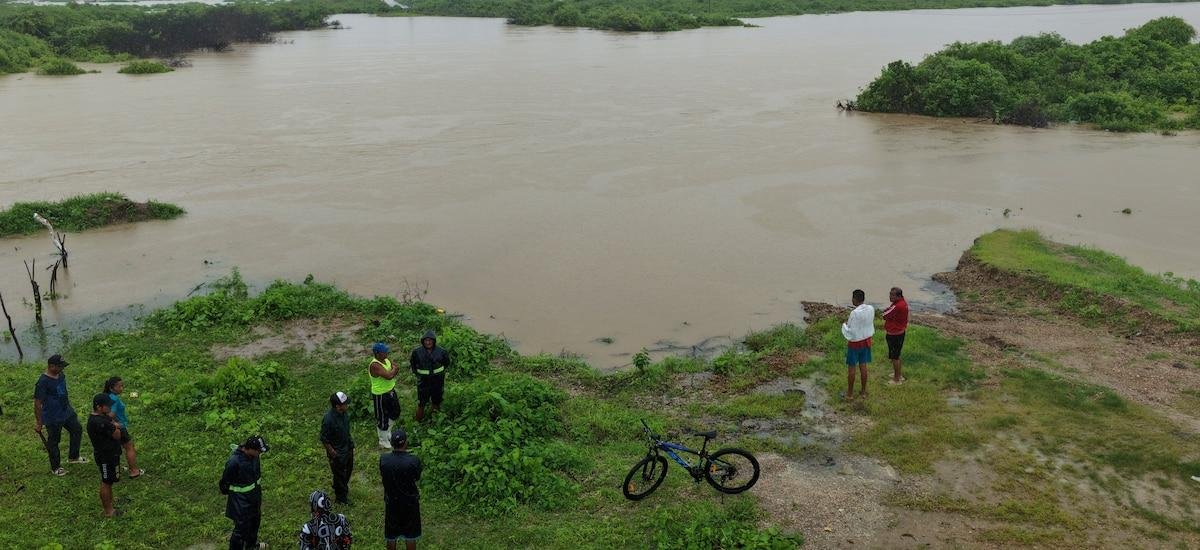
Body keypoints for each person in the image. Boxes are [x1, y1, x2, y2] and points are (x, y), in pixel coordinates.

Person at [33, 354, 87, 476]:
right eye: (60, 366)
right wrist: (39, 422)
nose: (62, 368)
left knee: (77, 429)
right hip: (53, 416)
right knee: (54, 442)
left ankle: (73, 457)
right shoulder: (43, 382)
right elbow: (37, 403)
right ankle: (56, 467)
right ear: (51, 366)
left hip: (66, 411)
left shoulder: (61, 374)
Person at [220, 435, 269, 550]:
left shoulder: (254, 456)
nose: (260, 453)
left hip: (254, 498)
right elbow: (224, 483)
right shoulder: (234, 462)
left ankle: (250, 546)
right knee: (241, 530)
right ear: (250, 449)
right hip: (240, 502)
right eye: (258, 451)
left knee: (254, 523)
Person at [380, 428, 422, 550]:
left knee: (391, 536)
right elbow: (416, 477)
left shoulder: (384, 459)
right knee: (410, 536)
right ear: (406, 443)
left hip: (392, 502)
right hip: (410, 503)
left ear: (391, 443)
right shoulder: (413, 460)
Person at [86, 393, 124, 517]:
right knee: (106, 482)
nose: (110, 408)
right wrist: (116, 427)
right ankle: (108, 511)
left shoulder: (100, 418)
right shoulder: (100, 422)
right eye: (107, 406)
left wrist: (114, 425)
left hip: (110, 454)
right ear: (99, 407)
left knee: (110, 481)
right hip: (106, 456)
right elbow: (117, 435)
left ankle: (110, 502)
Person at [104, 376, 143, 477]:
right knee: (129, 446)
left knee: (113, 449)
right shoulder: (114, 399)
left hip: (108, 427)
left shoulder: (106, 397)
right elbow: (111, 414)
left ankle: (114, 469)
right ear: (111, 388)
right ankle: (134, 471)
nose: (122, 388)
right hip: (119, 427)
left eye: (122, 386)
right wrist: (114, 423)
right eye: (119, 386)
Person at [321, 391, 355, 505]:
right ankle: (341, 499)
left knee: (347, 472)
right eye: (345, 404)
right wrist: (332, 452)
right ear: (337, 406)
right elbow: (324, 438)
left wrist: (350, 446)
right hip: (337, 452)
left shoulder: (344, 414)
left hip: (347, 448)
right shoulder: (328, 419)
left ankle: (338, 486)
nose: (347, 405)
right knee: (340, 475)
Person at [841, 289, 875, 400]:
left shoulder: (854, 313)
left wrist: (844, 325)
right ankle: (863, 392)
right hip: (866, 340)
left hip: (855, 343)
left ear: (854, 299)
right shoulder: (871, 308)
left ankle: (850, 394)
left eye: (852, 298)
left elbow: (850, 330)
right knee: (863, 366)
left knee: (852, 368)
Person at [409, 331, 450, 422]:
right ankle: (418, 422)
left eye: (430, 340)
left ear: (434, 341)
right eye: (426, 340)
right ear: (423, 341)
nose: (428, 342)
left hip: (438, 381)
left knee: (436, 401)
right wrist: (418, 375)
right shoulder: (417, 352)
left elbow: (446, 363)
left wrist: (438, 373)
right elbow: (413, 364)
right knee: (421, 403)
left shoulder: (441, 351)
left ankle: (433, 421)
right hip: (423, 382)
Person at [369, 343, 403, 449]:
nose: (387, 353)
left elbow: (394, 369)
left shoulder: (386, 360)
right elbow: (389, 375)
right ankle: (383, 440)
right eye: (384, 352)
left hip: (390, 391)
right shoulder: (375, 365)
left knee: (396, 412)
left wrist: (393, 371)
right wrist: (394, 370)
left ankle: (387, 431)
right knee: (382, 417)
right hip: (380, 394)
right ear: (377, 354)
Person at [881, 287, 910, 385]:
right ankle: (898, 374)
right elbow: (889, 311)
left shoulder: (897, 306)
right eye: (890, 294)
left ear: (898, 296)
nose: (890, 296)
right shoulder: (902, 303)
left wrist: (886, 311)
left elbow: (884, 315)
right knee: (897, 356)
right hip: (900, 332)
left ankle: (896, 379)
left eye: (892, 295)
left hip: (894, 334)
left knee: (894, 357)